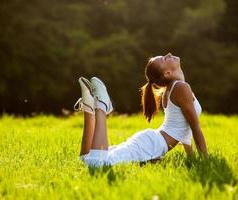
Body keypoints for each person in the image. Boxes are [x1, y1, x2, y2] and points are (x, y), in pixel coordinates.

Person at [74, 53, 208, 167]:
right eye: (164, 59)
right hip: (151, 144)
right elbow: (195, 128)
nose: (168, 54)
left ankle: (89, 107)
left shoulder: (175, 89)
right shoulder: (181, 88)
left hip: (151, 142)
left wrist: (191, 158)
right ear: (167, 73)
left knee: (87, 159)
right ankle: (101, 107)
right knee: (97, 164)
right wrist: (205, 162)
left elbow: (185, 130)